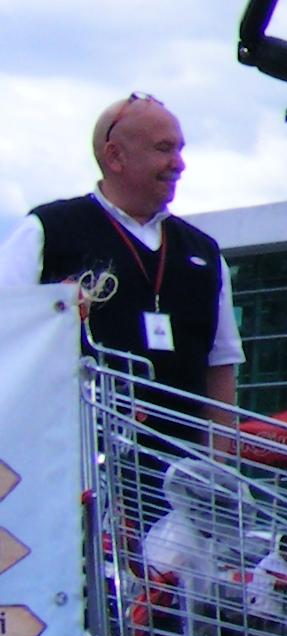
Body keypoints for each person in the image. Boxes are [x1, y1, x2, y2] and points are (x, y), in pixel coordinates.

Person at [1, 95, 243, 406]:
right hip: (77, 435)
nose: (179, 164)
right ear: (115, 156)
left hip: (182, 439)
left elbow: (221, 365)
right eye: (164, 148)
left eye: (180, 149)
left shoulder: (204, 253)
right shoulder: (47, 231)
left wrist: (219, 440)